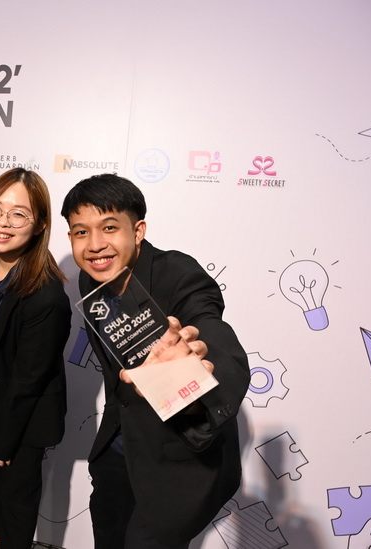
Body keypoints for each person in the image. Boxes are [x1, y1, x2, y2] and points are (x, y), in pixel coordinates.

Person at [60, 174, 250, 549]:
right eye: (81, 232)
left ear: (138, 231)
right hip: (117, 454)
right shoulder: (89, 280)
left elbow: (214, 336)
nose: (95, 245)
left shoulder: (178, 273)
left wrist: (193, 374)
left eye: (109, 228)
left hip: (176, 463)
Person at [0, 169, 71, 549]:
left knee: (17, 506)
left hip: (23, 420)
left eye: (18, 214)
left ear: (40, 224)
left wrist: (4, 440)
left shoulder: (46, 296)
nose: (2, 222)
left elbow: (29, 380)